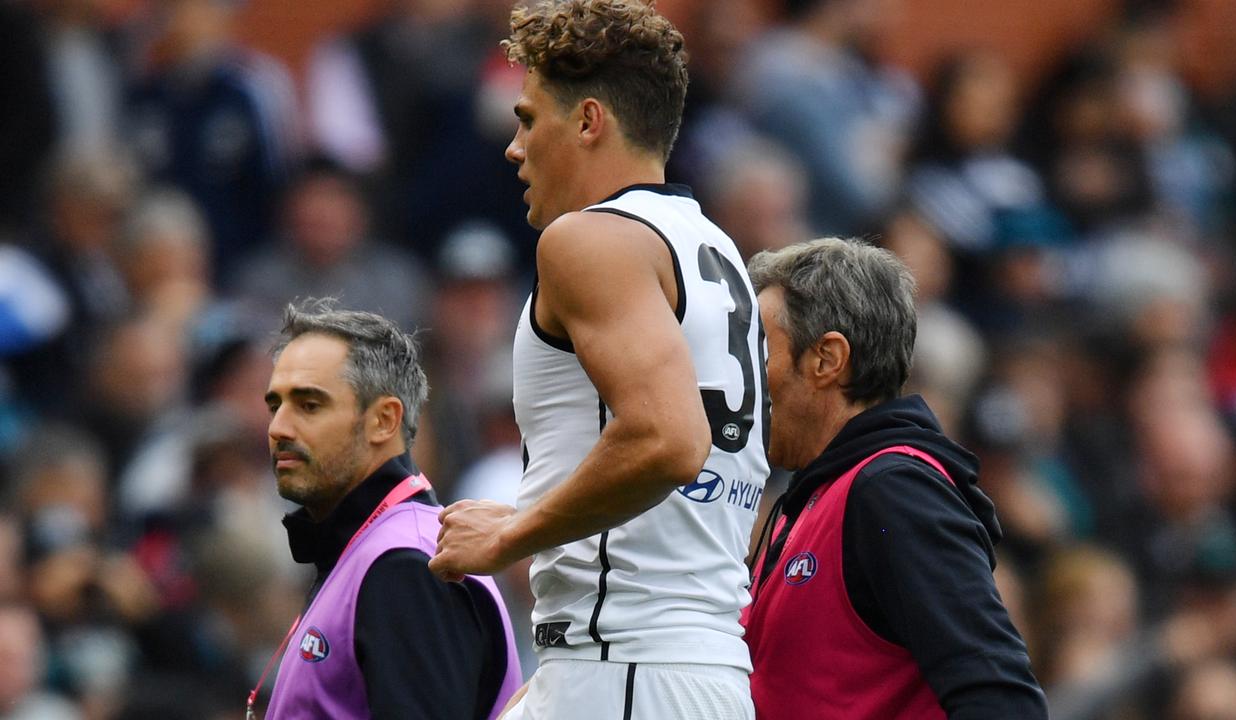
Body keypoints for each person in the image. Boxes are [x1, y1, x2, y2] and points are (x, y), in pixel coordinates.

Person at [429, 2, 769, 718]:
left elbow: (669, 438)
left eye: (528, 119)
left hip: (625, 666)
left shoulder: (588, 240)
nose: (514, 149)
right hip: (682, 666)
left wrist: (513, 534)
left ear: (588, 121)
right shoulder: (713, 247)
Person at [741, 238, 1048, 719]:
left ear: (826, 359)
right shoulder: (818, 496)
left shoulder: (893, 490)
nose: (746, 378)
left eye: (760, 349)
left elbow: (1001, 699)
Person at [258, 299, 521, 719]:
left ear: (384, 420)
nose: (278, 428)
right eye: (276, 405)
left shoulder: (409, 566)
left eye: (309, 405)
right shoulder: (367, 549)